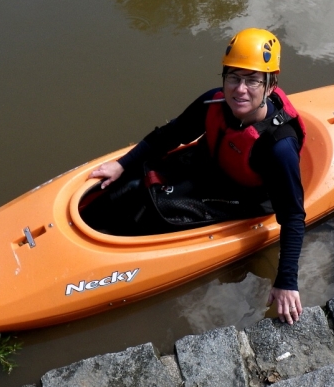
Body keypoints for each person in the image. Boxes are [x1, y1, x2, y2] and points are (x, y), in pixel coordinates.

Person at [89, 28, 306, 325]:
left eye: (253, 80)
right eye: (233, 77)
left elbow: (293, 217)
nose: (240, 89)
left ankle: (97, 262)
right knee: (129, 187)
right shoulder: (214, 102)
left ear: (270, 85)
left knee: (150, 215)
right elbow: (170, 134)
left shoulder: (279, 147)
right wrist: (122, 164)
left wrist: (287, 282)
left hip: (240, 197)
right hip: (206, 166)